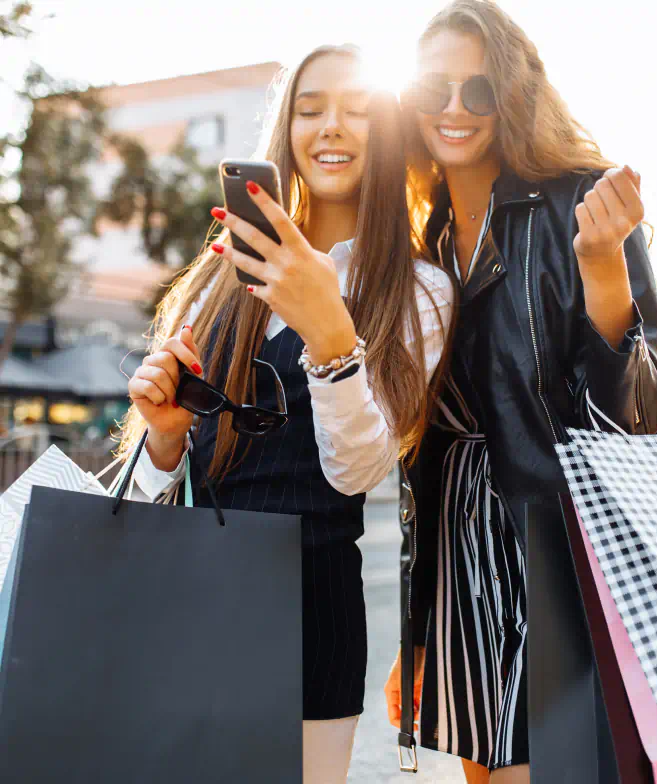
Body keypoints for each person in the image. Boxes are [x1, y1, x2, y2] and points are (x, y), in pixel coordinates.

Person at [120, 43, 453, 784]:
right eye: (311, 110)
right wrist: (165, 435)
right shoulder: (219, 272)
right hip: (192, 588)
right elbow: (154, 482)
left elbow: (362, 469)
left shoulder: (419, 289)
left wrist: (330, 334)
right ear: (286, 131)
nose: (332, 127)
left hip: (312, 605)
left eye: (359, 111)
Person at [384, 2, 657, 782]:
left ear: (512, 94)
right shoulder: (423, 238)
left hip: (556, 540)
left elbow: (633, 419)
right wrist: (415, 634)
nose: (454, 108)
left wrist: (604, 267)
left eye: (478, 90)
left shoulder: (583, 200)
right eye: (434, 88)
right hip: (457, 553)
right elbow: (421, 447)